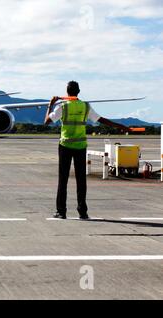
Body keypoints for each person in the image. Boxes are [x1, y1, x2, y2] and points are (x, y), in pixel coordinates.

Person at [44, 81, 130, 220]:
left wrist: (51, 105)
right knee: (81, 180)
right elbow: (101, 120)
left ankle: (61, 211)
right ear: (79, 91)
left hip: (65, 146)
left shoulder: (62, 106)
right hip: (80, 146)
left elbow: (46, 121)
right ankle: (82, 212)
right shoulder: (85, 106)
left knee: (63, 180)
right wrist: (120, 126)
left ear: (67, 92)